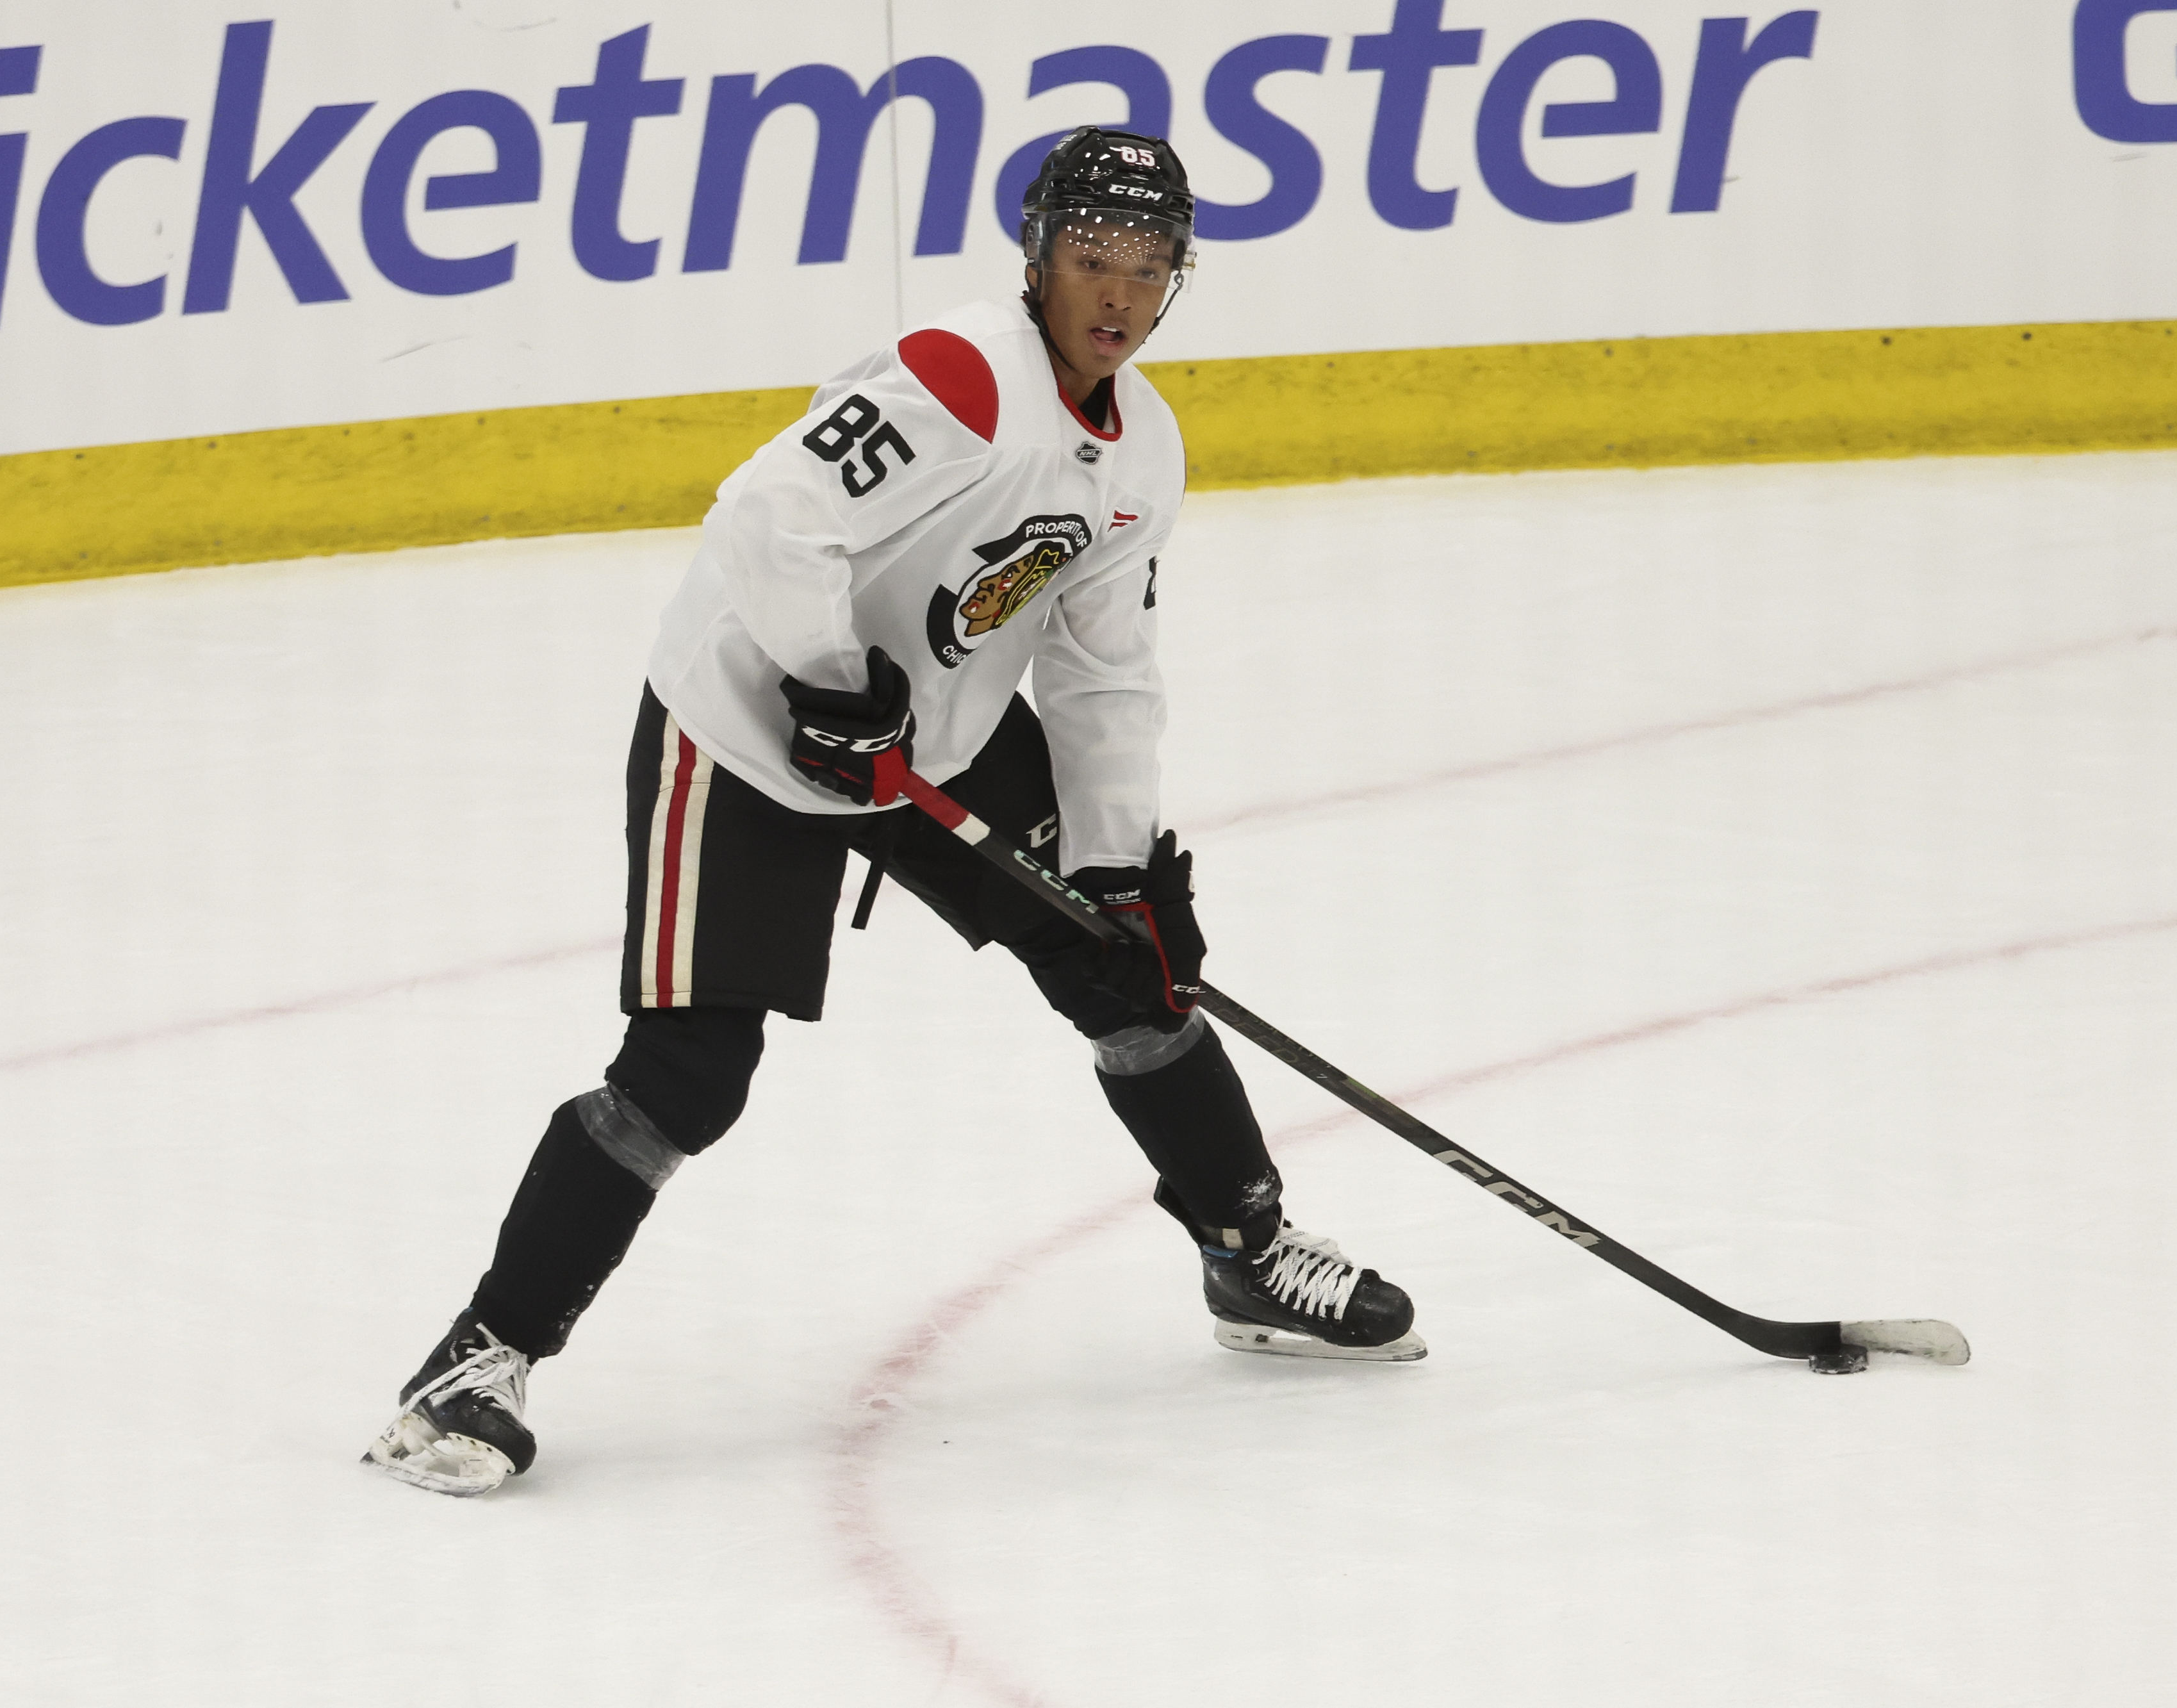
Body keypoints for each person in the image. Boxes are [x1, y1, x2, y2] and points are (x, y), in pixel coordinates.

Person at [364, 128, 1423, 1499]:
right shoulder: (960, 375)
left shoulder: (1141, 449)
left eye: (1150, 269)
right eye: (1093, 259)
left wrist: (1112, 863)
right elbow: (762, 519)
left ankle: (1246, 1248)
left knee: (1130, 969)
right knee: (692, 1068)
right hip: (750, 724)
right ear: (1037, 258)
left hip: (932, 736)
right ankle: (478, 1356)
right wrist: (822, 678)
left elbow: (1103, 668)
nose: (1118, 294)